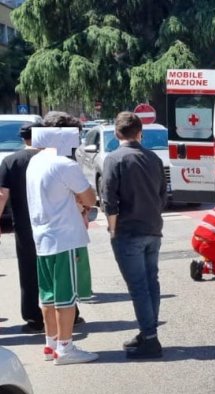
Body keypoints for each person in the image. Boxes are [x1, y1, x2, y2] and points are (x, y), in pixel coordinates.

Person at [26, 112, 98, 365]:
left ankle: (51, 345)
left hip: (42, 236)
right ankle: (65, 348)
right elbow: (89, 198)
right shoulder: (64, 163)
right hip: (65, 237)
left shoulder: (35, 161)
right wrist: (82, 202)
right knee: (66, 297)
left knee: (47, 296)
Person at [102, 112, 168, 359]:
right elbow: (163, 196)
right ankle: (147, 333)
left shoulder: (114, 159)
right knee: (151, 284)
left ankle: (150, 338)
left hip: (128, 231)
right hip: (153, 228)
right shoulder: (153, 158)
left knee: (139, 287)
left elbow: (109, 200)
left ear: (117, 134)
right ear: (141, 132)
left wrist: (112, 229)